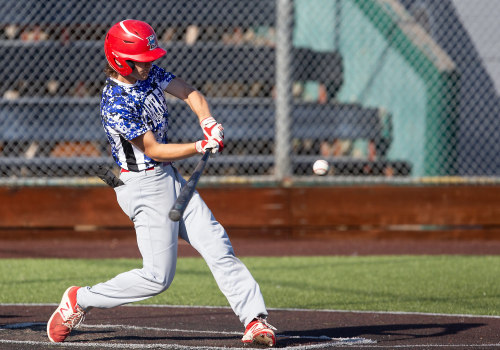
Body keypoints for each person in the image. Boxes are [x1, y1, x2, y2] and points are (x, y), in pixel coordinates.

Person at [46, 19, 276, 347]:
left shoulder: (148, 71)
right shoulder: (117, 103)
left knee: (217, 244)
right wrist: (199, 146)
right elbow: (152, 148)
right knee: (157, 278)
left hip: (168, 177)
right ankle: (79, 299)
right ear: (120, 60)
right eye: (142, 58)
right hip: (142, 186)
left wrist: (207, 121)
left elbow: (189, 92)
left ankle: (255, 320)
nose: (150, 63)